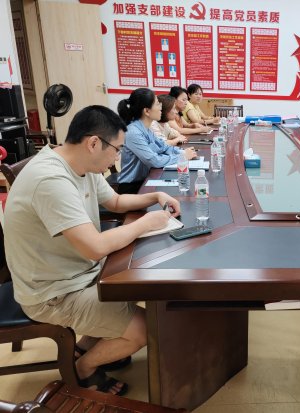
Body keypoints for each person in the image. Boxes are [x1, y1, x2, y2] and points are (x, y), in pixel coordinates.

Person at [3, 105, 181, 396]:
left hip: (76, 273)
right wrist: (146, 223)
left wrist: (156, 196)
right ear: (94, 143)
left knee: (136, 281)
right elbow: (95, 248)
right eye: (117, 150)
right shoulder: (51, 180)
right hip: (52, 292)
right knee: (145, 330)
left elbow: (115, 202)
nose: (117, 158)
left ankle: (85, 345)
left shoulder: (80, 164)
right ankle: (83, 368)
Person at [117, 88, 196, 194]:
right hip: (133, 188)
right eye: (158, 104)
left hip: (146, 179)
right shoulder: (133, 132)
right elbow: (154, 160)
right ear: (147, 111)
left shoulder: (146, 128)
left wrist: (182, 152)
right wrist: (182, 157)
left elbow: (163, 147)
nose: (161, 108)